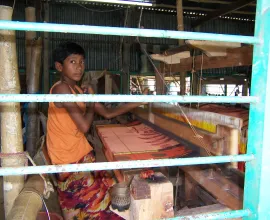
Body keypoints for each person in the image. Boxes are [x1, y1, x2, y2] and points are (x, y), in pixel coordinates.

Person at [47, 42, 147, 220]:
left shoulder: (77, 90)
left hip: (79, 154)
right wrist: (91, 101)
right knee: (98, 207)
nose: (79, 67)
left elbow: (109, 113)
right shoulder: (61, 89)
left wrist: (141, 100)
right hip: (68, 161)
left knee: (102, 191)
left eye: (82, 62)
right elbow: (85, 126)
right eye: (72, 62)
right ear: (59, 66)